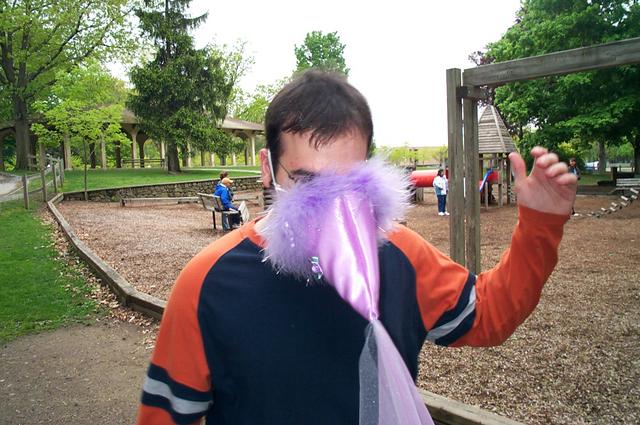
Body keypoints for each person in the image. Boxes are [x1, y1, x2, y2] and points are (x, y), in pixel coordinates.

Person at [137, 71, 578, 425]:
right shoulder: (208, 281)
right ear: (267, 168)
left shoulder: (400, 252)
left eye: (349, 183)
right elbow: (168, 414)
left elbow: (486, 315)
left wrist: (539, 225)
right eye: (308, 181)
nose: (331, 207)